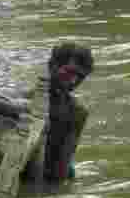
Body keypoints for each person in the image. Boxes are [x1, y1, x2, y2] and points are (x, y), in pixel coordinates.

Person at [22, 43, 94, 184]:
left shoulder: (77, 113)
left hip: (50, 175)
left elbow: (62, 168)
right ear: (51, 66)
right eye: (69, 73)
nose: (74, 81)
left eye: (80, 76)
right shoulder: (24, 102)